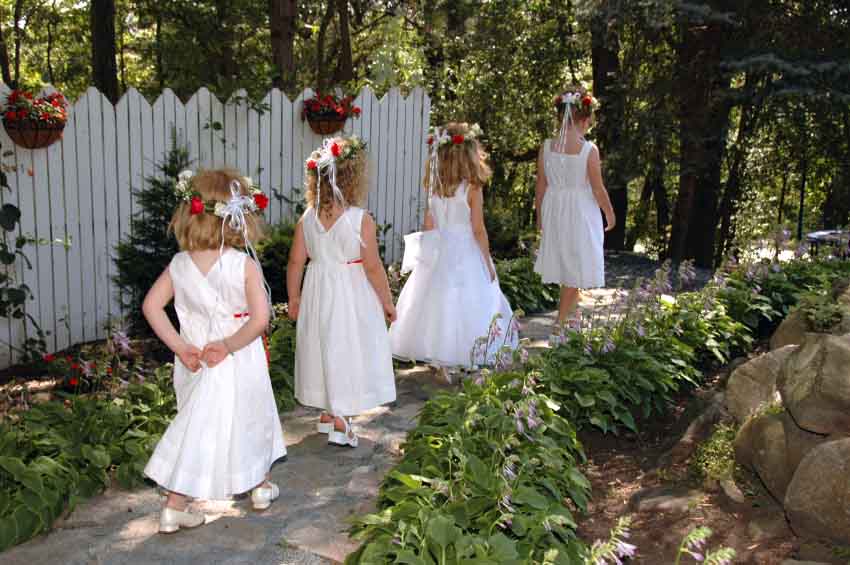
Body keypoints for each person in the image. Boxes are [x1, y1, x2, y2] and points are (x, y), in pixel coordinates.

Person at [143, 168, 286, 533]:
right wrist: (227, 345)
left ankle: (250, 486)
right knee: (247, 419)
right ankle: (237, 490)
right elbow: (259, 320)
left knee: (202, 423)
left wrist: (182, 347)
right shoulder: (243, 265)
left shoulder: (178, 266)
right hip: (237, 359)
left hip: (195, 361)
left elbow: (151, 307)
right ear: (236, 217)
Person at [287, 136, 397, 448]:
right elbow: (373, 267)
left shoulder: (307, 218)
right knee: (345, 350)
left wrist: (294, 297)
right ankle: (340, 417)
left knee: (320, 346)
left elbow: (296, 261)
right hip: (350, 292)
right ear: (353, 178)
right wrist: (387, 302)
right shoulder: (360, 219)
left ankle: (326, 410)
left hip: (318, 290)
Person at [390, 122, 518, 377]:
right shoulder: (472, 188)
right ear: (469, 154)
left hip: (440, 249)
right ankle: (463, 355)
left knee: (436, 301)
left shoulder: (435, 188)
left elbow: (429, 224)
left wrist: (426, 253)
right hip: (465, 249)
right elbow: (478, 228)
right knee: (465, 302)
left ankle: (440, 360)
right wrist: (487, 260)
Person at [534, 86, 616, 330]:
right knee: (574, 266)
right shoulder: (588, 150)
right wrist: (609, 213)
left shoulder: (546, 147)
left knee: (568, 263)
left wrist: (540, 216)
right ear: (584, 117)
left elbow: (541, 186)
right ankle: (560, 324)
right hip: (579, 211)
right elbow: (598, 188)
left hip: (555, 208)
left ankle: (571, 317)